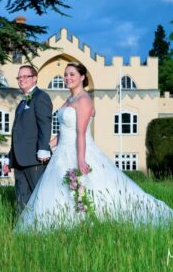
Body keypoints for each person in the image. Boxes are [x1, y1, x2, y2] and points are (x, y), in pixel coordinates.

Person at [14, 62, 173, 232]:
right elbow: (62, 133)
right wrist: (45, 146)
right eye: (66, 75)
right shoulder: (69, 100)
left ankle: (89, 223)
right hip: (62, 152)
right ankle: (61, 225)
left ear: (82, 77)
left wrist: (81, 160)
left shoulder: (84, 100)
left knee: (89, 188)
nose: (67, 78)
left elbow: (80, 132)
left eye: (72, 74)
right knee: (59, 191)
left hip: (78, 150)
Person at [4, 65, 53, 213]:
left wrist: (43, 148)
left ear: (35, 79)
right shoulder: (22, 103)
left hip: (35, 158)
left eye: (25, 76)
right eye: (19, 77)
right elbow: (18, 133)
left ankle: (43, 228)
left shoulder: (41, 97)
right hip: (19, 160)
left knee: (39, 196)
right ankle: (23, 230)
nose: (21, 80)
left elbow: (45, 124)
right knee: (21, 197)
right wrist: (9, 157)